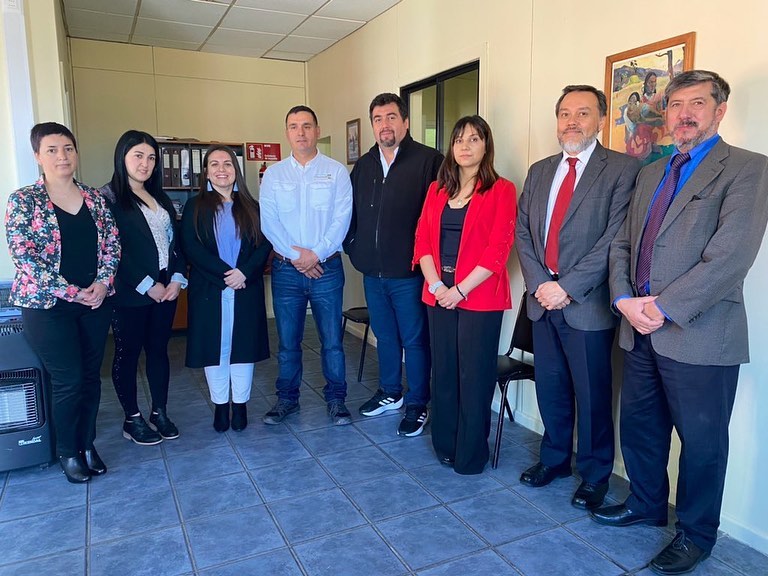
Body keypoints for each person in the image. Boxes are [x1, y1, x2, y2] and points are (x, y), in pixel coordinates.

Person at [593, 70, 768, 575]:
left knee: (702, 444)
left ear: (719, 111)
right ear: (665, 113)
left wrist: (661, 308)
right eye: (676, 105)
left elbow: (730, 257)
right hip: (637, 326)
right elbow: (622, 244)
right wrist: (624, 299)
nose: (684, 114)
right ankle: (646, 504)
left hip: (700, 333)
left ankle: (696, 534)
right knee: (641, 427)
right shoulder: (651, 173)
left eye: (697, 103)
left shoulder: (748, 168)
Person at [515, 85, 641, 509]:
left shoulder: (622, 169)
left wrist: (566, 287)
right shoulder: (539, 170)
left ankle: (594, 474)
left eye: (583, 113)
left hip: (586, 304)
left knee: (592, 396)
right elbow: (523, 232)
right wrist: (541, 284)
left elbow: (616, 238)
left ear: (600, 120)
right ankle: (553, 460)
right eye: (565, 113)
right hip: (542, 300)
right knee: (550, 388)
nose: (572, 121)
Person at [5, 122, 120, 483]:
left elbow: (112, 245)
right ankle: (68, 451)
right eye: (52, 150)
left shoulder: (94, 198)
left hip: (94, 303)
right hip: (46, 307)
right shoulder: (24, 200)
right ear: (38, 156)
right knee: (68, 379)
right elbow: (25, 257)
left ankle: (87, 444)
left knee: (90, 377)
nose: (62, 156)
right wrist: (73, 292)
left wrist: (102, 282)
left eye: (68, 148)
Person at [413, 115, 516, 474]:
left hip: (480, 297)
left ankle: (471, 454)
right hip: (438, 294)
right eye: (459, 140)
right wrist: (437, 287)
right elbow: (423, 241)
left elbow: (498, 249)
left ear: (486, 146)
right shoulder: (436, 190)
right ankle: (445, 444)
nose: (465, 146)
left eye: (474, 139)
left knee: (474, 376)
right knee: (443, 372)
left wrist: (460, 290)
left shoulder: (501, 190)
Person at [346, 93, 443, 437]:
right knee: (385, 336)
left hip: (410, 273)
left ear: (405, 122)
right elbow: (350, 211)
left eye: (390, 117)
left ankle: (417, 404)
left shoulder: (429, 161)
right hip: (372, 273)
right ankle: (390, 392)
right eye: (378, 119)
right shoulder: (365, 165)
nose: (384, 125)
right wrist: (353, 247)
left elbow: (438, 218)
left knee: (415, 341)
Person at [259, 106, 353, 426]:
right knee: (288, 343)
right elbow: (269, 222)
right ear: (287, 132)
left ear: (317, 130)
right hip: (286, 271)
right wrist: (298, 258)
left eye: (307, 126)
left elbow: (341, 220)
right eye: (294, 126)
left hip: (327, 269)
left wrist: (316, 254)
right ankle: (287, 399)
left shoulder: (336, 172)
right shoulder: (274, 175)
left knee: (332, 342)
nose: (301, 132)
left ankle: (337, 400)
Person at [101, 130, 187, 446]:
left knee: (158, 352)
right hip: (131, 292)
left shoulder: (159, 197)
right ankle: (132, 418)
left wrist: (177, 278)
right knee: (127, 354)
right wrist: (147, 285)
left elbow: (175, 243)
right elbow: (112, 251)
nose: (145, 163)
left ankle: (159, 412)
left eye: (151, 157)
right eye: (138, 155)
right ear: (122, 157)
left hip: (166, 289)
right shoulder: (107, 199)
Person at [181, 145, 271, 432]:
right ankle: (221, 405)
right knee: (216, 348)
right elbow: (191, 246)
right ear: (206, 172)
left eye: (228, 164)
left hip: (245, 287)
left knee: (242, 348)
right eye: (214, 164)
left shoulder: (252, 207)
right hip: (210, 289)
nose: (222, 169)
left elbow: (263, 244)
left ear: (236, 170)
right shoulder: (195, 207)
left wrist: (244, 272)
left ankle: (240, 405)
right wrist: (225, 275)